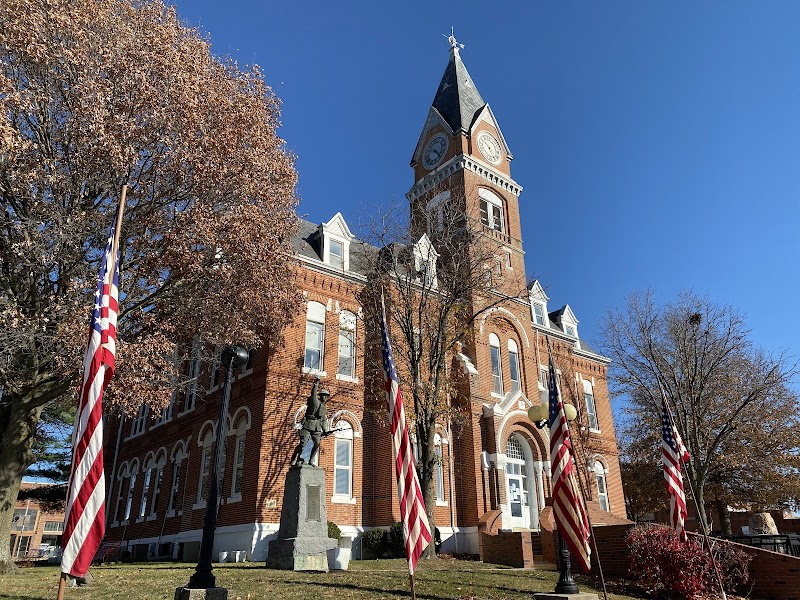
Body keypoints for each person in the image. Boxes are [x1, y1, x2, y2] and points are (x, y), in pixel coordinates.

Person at [290, 377, 331, 467]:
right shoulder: (315, 401)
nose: (325, 397)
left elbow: (323, 420)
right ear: (320, 396)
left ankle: (311, 460)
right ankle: (294, 458)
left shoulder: (324, 408)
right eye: (324, 395)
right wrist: (316, 384)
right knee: (303, 443)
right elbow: (313, 394)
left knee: (317, 443)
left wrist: (326, 430)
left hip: (317, 427)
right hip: (308, 424)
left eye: (326, 396)